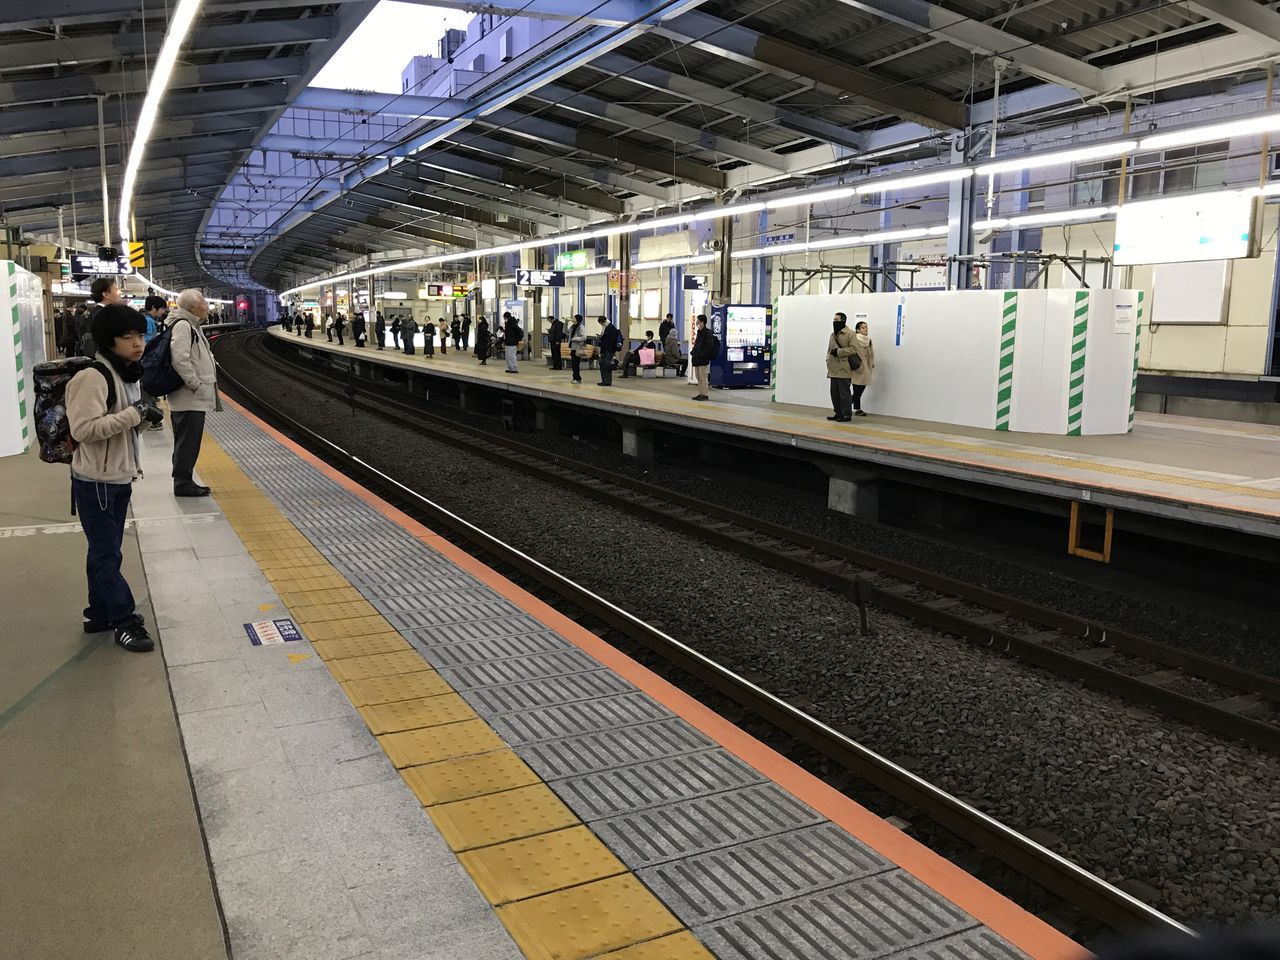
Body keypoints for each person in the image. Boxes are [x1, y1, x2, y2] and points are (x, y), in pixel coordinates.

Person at [66, 304, 164, 652]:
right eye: (128, 337)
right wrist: (134, 413)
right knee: (108, 555)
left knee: (103, 552)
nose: (138, 343)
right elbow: (84, 429)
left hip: (118, 477)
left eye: (140, 335)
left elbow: (124, 422)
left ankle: (99, 613)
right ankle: (125, 621)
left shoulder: (126, 374)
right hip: (95, 482)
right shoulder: (93, 377)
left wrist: (144, 418)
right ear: (110, 341)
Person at [167, 289, 220, 497]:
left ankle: (184, 480)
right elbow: (180, 358)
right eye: (203, 303)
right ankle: (182, 483)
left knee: (187, 440)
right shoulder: (183, 326)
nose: (207, 306)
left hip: (190, 397)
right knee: (188, 441)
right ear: (192, 307)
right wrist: (194, 383)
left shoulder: (190, 325)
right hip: (188, 397)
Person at [141, 295, 168, 430]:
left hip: (145, 361)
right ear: (153, 308)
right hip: (148, 361)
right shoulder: (149, 321)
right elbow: (148, 343)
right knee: (147, 390)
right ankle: (153, 419)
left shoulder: (146, 320)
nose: (163, 312)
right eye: (162, 308)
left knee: (147, 390)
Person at [825, 311, 858, 422]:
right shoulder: (832, 334)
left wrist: (839, 352)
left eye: (837, 320)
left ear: (843, 321)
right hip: (833, 368)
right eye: (834, 320)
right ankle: (838, 413)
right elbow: (829, 349)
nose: (834, 322)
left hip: (844, 367)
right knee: (834, 393)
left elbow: (854, 349)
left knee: (844, 394)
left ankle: (846, 414)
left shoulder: (850, 334)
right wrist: (827, 358)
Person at [850, 320, 875, 417]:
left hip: (866, 368)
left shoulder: (868, 340)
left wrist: (871, 364)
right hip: (856, 368)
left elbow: (871, 354)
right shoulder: (854, 339)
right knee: (857, 390)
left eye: (866, 327)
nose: (866, 329)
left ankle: (848, 406)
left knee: (859, 390)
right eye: (863, 328)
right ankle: (852, 407)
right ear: (858, 330)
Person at [690, 314, 716, 401]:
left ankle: (704, 394)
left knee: (703, 377)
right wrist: (693, 353)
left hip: (703, 359)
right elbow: (697, 344)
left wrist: (702, 354)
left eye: (697, 320)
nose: (696, 322)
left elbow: (709, 346)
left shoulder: (707, 332)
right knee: (698, 376)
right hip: (697, 358)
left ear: (702, 322)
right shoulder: (699, 332)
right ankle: (700, 393)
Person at [596, 315, 620, 387]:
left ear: (602, 322)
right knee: (602, 365)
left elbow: (611, 341)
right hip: (605, 350)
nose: (601, 325)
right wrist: (601, 337)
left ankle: (607, 382)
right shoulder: (606, 327)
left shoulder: (610, 328)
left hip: (608, 351)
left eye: (600, 323)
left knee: (606, 366)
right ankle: (604, 381)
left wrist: (610, 351)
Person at [567, 314, 586, 383]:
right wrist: (566, 322)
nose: (573, 319)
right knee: (573, 364)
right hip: (572, 347)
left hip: (577, 348)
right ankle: (576, 377)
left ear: (577, 319)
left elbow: (584, 337)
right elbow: (565, 331)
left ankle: (577, 378)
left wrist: (575, 339)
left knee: (575, 364)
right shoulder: (572, 326)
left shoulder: (581, 327)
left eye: (574, 318)